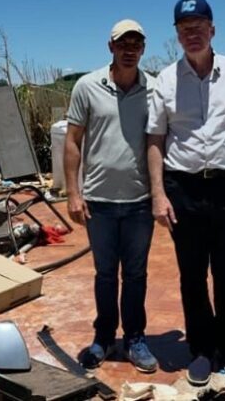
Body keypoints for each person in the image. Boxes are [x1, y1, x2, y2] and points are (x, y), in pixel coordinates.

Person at [146, 0, 225, 385]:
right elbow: (155, 139)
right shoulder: (165, 80)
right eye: (185, 29)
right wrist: (158, 194)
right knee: (192, 274)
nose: (192, 34)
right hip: (182, 188)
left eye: (199, 27)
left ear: (212, 30)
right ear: (177, 36)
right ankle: (201, 349)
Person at [64, 19, 158, 373]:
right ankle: (103, 338)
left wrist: (160, 193)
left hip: (139, 202)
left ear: (143, 49)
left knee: (135, 275)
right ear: (111, 47)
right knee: (105, 274)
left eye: (136, 44)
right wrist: (73, 193)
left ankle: (135, 338)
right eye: (123, 44)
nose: (129, 50)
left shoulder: (154, 89)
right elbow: (73, 141)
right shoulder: (87, 86)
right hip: (99, 202)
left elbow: (160, 141)